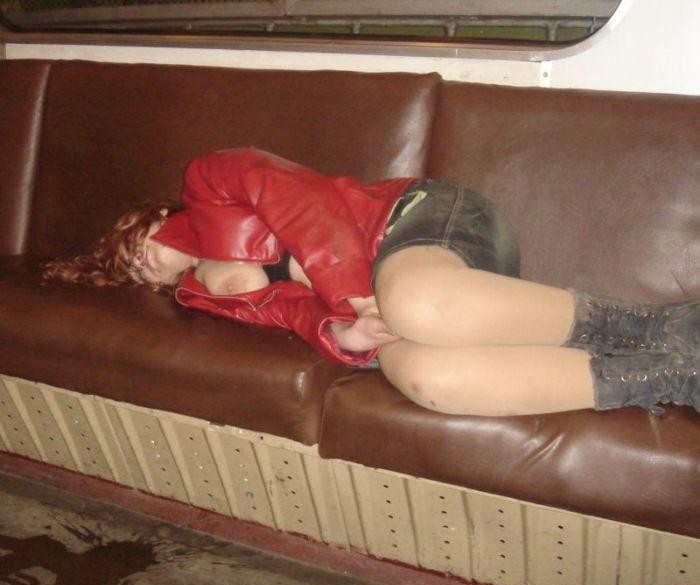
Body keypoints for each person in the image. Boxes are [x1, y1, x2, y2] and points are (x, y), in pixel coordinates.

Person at [43, 147, 699, 417]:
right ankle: (672, 374)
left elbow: (305, 204)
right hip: (404, 297)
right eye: (126, 272)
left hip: (419, 222)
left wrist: (350, 293)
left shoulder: (207, 179)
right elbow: (287, 313)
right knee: (426, 378)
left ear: (156, 216)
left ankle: (666, 322)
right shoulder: (200, 293)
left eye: (131, 245)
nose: (137, 265)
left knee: (415, 301)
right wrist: (345, 332)